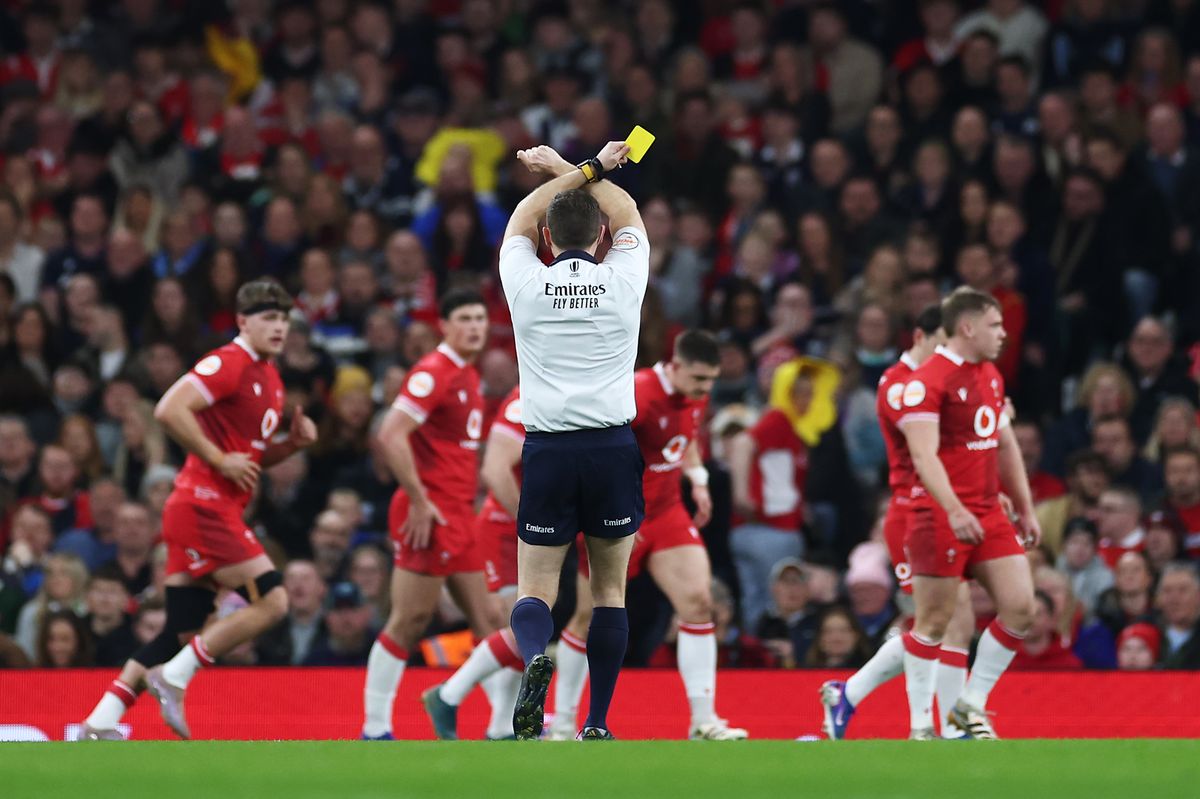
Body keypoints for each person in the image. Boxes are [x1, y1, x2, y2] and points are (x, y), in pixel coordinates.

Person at [79, 279, 318, 740]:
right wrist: (216, 458)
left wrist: (290, 446)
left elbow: (245, 458)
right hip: (203, 505)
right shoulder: (229, 362)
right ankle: (176, 676)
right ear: (242, 321)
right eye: (268, 317)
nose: (279, 327)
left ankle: (100, 721)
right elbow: (169, 409)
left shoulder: (268, 376)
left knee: (181, 628)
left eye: (284, 319)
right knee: (273, 601)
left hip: (206, 506)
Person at [497, 140, 648, 740]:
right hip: (611, 448)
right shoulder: (623, 279)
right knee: (608, 591)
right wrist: (582, 169)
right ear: (603, 237)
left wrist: (568, 174)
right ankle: (598, 721)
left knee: (535, 588)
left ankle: (538, 654)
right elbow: (632, 215)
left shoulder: (525, 282)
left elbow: (518, 221)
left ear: (546, 241)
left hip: (549, 450)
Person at [548, 331, 748, 741]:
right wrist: (610, 512)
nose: (705, 389)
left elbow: (684, 436)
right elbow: (595, 453)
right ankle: (564, 722)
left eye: (711, 380)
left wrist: (698, 479)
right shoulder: (636, 394)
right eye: (698, 380)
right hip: (616, 517)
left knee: (698, 602)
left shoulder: (694, 393)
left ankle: (704, 721)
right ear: (674, 366)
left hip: (666, 512)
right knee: (587, 618)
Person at [822, 305, 976, 741]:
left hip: (940, 512)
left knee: (957, 619)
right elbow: (931, 442)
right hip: (912, 517)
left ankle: (941, 722)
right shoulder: (898, 385)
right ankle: (920, 726)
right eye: (945, 346)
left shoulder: (938, 382)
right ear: (923, 337)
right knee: (930, 621)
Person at [897, 287, 1040, 740]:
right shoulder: (927, 380)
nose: (1004, 334)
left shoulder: (991, 375)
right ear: (967, 327)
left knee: (1020, 608)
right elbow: (923, 455)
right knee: (935, 623)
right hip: (939, 514)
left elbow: (1002, 447)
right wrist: (954, 508)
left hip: (987, 511)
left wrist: (1025, 506)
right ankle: (919, 725)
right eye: (996, 326)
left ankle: (969, 704)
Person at [360, 288, 495, 740]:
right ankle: (375, 727)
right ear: (445, 325)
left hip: (459, 515)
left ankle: (504, 726)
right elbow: (391, 433)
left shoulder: (467, 374)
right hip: (430, 513)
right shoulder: (434, 372)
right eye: (465, 318)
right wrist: (419, 499)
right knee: (410, 620)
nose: (475, 326)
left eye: (480, 317)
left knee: (489, 621)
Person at [420, 385, 528, 741]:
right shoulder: (525, 398)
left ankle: (501, 726)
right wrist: (530, 525)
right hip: (503, 532)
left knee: (526, 628)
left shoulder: (571, 396)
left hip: (534, 534)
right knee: (521, 624)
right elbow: (495, 473)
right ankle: (448, 695)